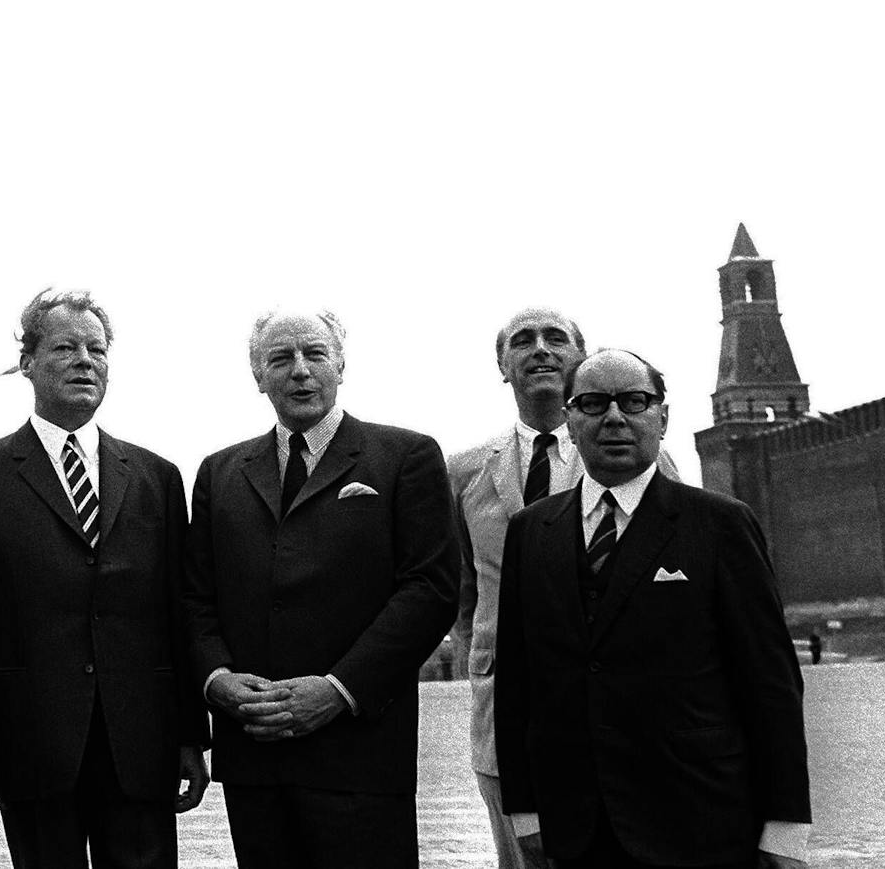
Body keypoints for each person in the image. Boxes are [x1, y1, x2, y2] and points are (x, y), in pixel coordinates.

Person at [495, 350, 811, 869]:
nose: (614, 418)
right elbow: (516, 682)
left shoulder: (719, 525)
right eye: (593, 403)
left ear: (662, 418)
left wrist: (786, 824)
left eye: (634, 401)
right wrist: (524, 808)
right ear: (569, 421)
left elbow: (769, 681)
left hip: (699, 818)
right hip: (576, 825)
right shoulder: (531, 531)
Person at [0, 289, 209, 867]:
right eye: (65, 347)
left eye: (97, 349)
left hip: (140, 745)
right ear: (27, 362)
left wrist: (191, 734)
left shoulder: (157, 477)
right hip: (29, 745)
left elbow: (177, 612)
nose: (85, 360)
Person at [182, 309, 458, 869]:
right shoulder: (219, 473)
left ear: (341, 365)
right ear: (258, 376)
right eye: (281, 358)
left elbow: (430, 590)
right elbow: (194, 598)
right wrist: (217, 680)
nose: (300, 370)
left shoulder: (405, 457)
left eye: (314, 354)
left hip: (360, 753)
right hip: (255, 752)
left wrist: (338, 690)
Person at [449, 309, 677, 869]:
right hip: (505, 715)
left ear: (581, 359)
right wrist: (483, 662)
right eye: (522, 341)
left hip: (622, 710)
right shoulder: (464, 472)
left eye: (556, 338)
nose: (540, 349)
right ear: (502, 365)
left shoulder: (639, 456)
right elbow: (461, 592)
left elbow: (678, 576)